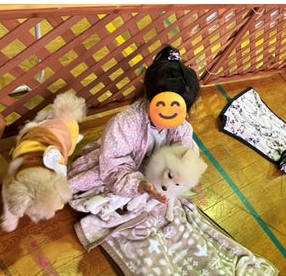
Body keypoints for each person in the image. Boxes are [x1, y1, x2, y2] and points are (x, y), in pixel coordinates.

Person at [67, 45, 201, 205]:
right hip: (125, 166)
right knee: (85, 180)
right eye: (162, 107)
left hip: (154, 169)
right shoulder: (125, 123)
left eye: (177, 110)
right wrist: (141, 185)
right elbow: (113, 166)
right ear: (148, 96)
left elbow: (182, 153)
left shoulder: (182, 128)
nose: (168, 115)